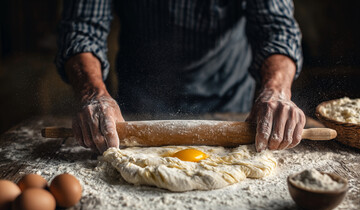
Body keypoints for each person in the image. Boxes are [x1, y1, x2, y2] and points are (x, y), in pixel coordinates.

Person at [56, 0, 306, 154]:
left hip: (228, 105)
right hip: (137, 108)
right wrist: (93, 94)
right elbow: (82, 28)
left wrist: (276, 90)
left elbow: (277, 29)